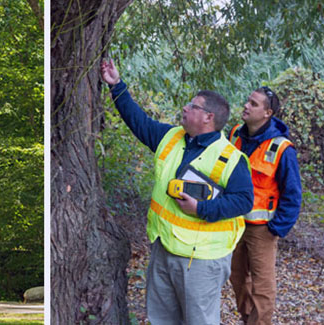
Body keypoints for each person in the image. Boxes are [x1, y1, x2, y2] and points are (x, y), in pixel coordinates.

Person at [101, 59, 254, 324]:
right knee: (163, 319)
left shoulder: (231, 158)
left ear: (209, 117)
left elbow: (244, 201)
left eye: (193, 106)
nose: (185, 107)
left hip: (202, 259)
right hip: (164, 247)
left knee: (199, 321)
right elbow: (138, 121)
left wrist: (201, 209)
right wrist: (116, 85)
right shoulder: (171, 137)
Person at [227, 86, 303, 325]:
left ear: (268, 113)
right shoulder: (235, 136)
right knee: (237, 278)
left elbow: (293, 194)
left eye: (254, 104)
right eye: (248, 101)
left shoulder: (281, 148)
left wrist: (277, 228)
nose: (246, 106)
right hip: (234, 222)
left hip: (262, 228)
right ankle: (248, 319)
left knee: (262, 285)